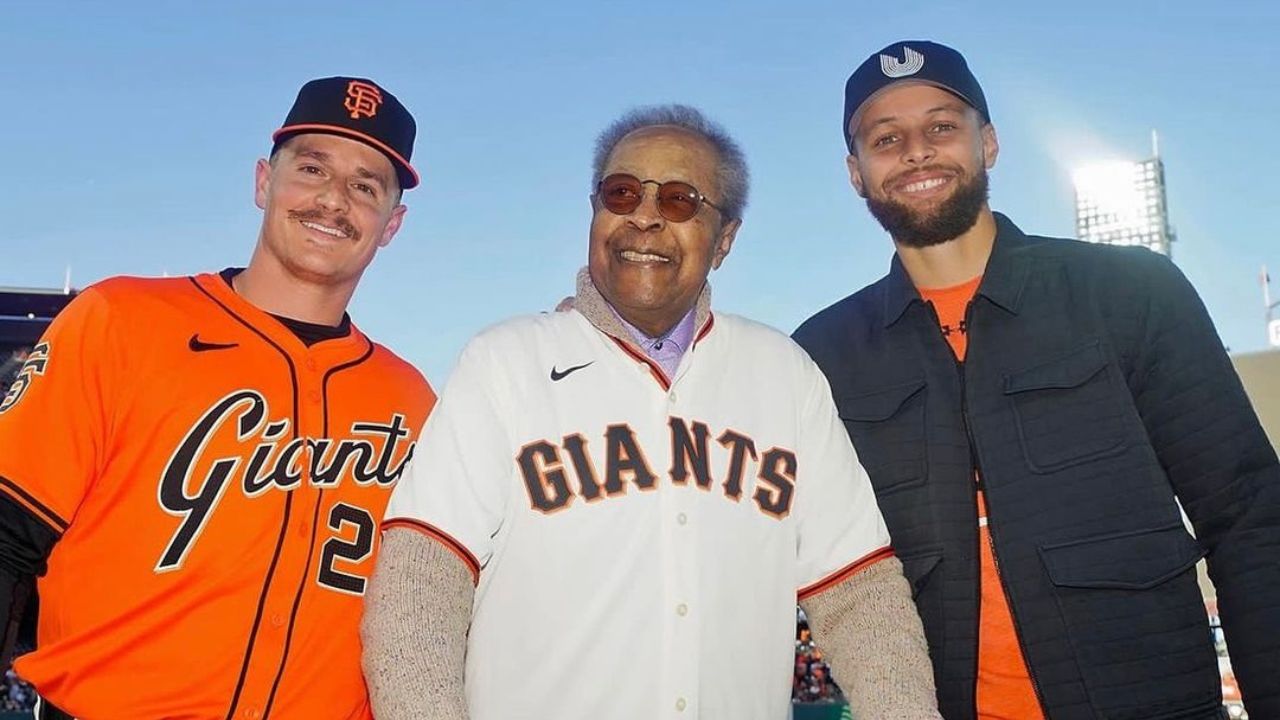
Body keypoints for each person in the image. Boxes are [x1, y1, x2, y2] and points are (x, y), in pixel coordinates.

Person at [361, 104, 941, 720]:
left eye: (679, 201)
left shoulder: (784, 372)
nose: (643, 217)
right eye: (622, 193)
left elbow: (861, 595)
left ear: (724, 241)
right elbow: (419, 587)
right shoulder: (505, 361)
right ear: (594, 212)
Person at [793, 40, 1280, 720]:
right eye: (886, 138)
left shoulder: (1130, 293)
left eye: (941, 126)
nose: (917, 151)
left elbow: (1248, 517)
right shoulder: (823, 354)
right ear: (855, 171)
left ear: (987, 142)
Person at [0, 76, 435, 719]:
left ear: (391, 223)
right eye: (312, 167)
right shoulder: (120, 320)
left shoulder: (410, 398)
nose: (334, 199)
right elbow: (9, 533)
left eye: (366, 185)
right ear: (263, 182)